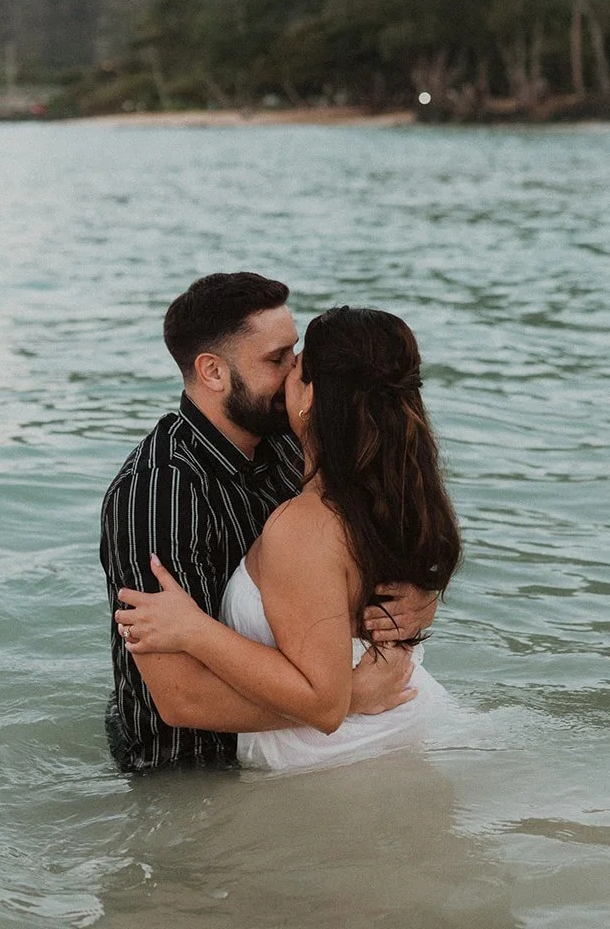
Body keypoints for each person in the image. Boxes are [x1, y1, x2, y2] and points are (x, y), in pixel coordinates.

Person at [99, 274, 433, 772]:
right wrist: (346, 700)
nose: (297, 370)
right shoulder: (156, 493)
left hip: (298, 756)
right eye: (277, 359)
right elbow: (182, 699)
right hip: (191, 770)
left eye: (294, 351)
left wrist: (414, 601)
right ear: (213, 372)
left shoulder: (292, 444)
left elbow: (361, 554)